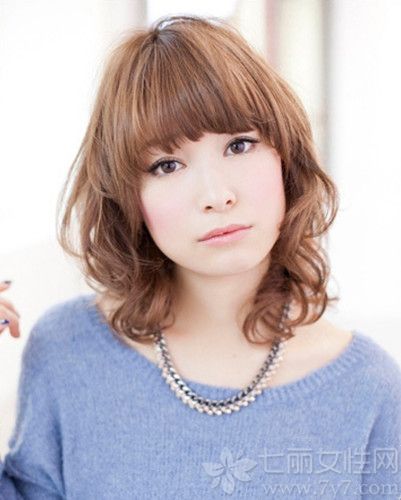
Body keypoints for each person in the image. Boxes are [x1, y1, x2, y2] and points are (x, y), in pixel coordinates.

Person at [1, 14, 400, 499]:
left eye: (239, 144)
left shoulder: (368, 389)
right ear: (127, 197)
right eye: (167, 165)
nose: (216, 195)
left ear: (286, 156)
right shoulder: (68, 352)